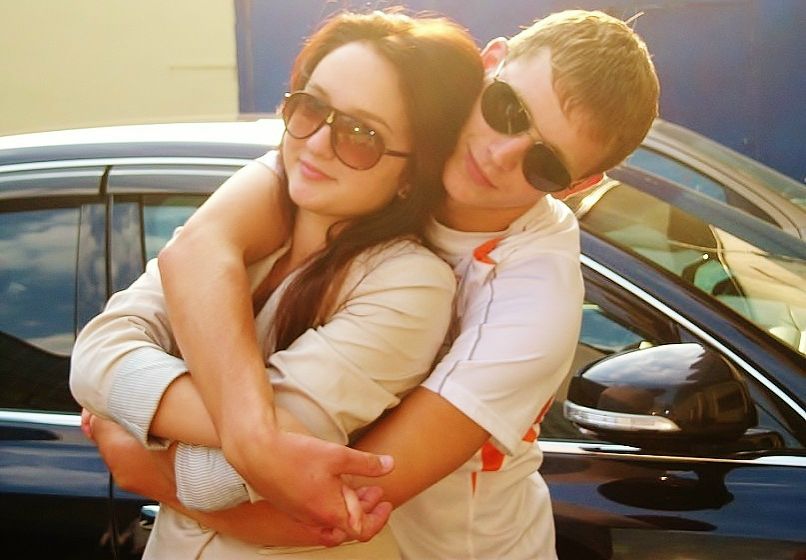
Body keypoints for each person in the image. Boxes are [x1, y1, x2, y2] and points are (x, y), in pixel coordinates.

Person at [80, 8, 660, 560]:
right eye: (507, 109)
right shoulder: (361, 148)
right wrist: (251, 436)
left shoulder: (531, 304)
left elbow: (323, 511)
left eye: (544, 164)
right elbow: (199, 250)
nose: (499, 154)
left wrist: (137, 454)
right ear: (490, 63)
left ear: (576, 185)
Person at [70, 10, 483, 559]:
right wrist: (262, 438)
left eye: (361, 135)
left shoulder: (409, 285)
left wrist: (129, 435)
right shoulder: (238, 231)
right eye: (311, 108)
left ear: (413, 173)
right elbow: (96, 355)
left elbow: (216, 480)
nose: (317, 143)